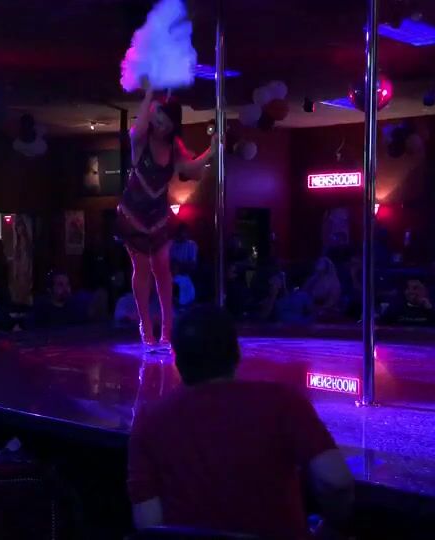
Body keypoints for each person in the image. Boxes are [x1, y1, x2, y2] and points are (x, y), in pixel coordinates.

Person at [127, 306, 354, 539]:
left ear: (177, 358)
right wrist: (332, 527)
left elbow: (149, 524)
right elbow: (336, 481)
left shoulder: (149, 420)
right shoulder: (282, 402)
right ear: (237, 352)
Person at [115, 77, 217, 349]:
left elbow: (190, 169)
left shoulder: (174, 148)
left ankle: (168, 329)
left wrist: (211, 150)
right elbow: (137, 127)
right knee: (141, 268)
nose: (159, 123)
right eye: (157, 117)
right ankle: (145, 326)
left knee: (162, 268)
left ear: (173, 125)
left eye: (165, 120)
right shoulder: (140, 140)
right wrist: (150, 90)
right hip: (133, 213)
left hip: (157, 214)